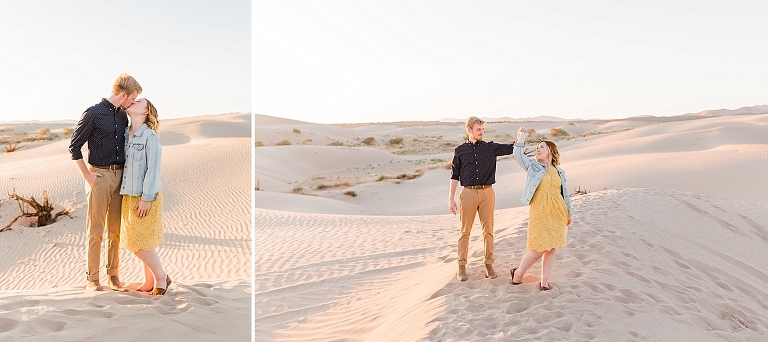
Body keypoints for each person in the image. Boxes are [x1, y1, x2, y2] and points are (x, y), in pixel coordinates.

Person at [69, 74, 142, 291]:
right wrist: (87, 176)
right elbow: (74, 147)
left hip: (120, 177)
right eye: (133, 98)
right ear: (123, 94)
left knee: (115, 230)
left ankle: (113, 277)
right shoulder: (93, 113)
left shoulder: (123, 116)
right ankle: (92, 279)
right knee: (96, 229)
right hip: (99, 177)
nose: (134, 102)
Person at [449, 116, 516, 281]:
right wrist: (451, 198)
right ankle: (461, 267)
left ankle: (488, 264)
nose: (481, 133)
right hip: (468, 193)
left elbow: (512, 148)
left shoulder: (490, 148)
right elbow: (454, 175)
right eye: (479, 129)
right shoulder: (460, 151)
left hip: (487, 193)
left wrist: (521, 137)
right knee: (465, 232)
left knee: (488, 231)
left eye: (483, 130)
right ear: (470, 130)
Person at [509, 127, 572, 291]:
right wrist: (521, 136)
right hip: (540, 210)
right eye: (537, 147)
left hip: (558, 212)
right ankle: (518, 274)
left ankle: (544, 282)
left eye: (542, 147)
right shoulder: (533, 166)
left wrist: (568, 213)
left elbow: (564, 194)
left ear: (551, 151)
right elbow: (517, 155)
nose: (538, 149)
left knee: (551, 248)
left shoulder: (560, 171)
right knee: (538, 248)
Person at [120, 98, 171, 295]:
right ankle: (148, 282)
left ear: (146, 111)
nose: (133, 101)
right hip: (128, 195)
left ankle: (161, 277)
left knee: (136, 242)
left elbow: (153, 170)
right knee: (142, 240)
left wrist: (146, 199)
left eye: (139, 101)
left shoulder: (150, 137)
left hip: (146, 197)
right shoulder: (126, 134)